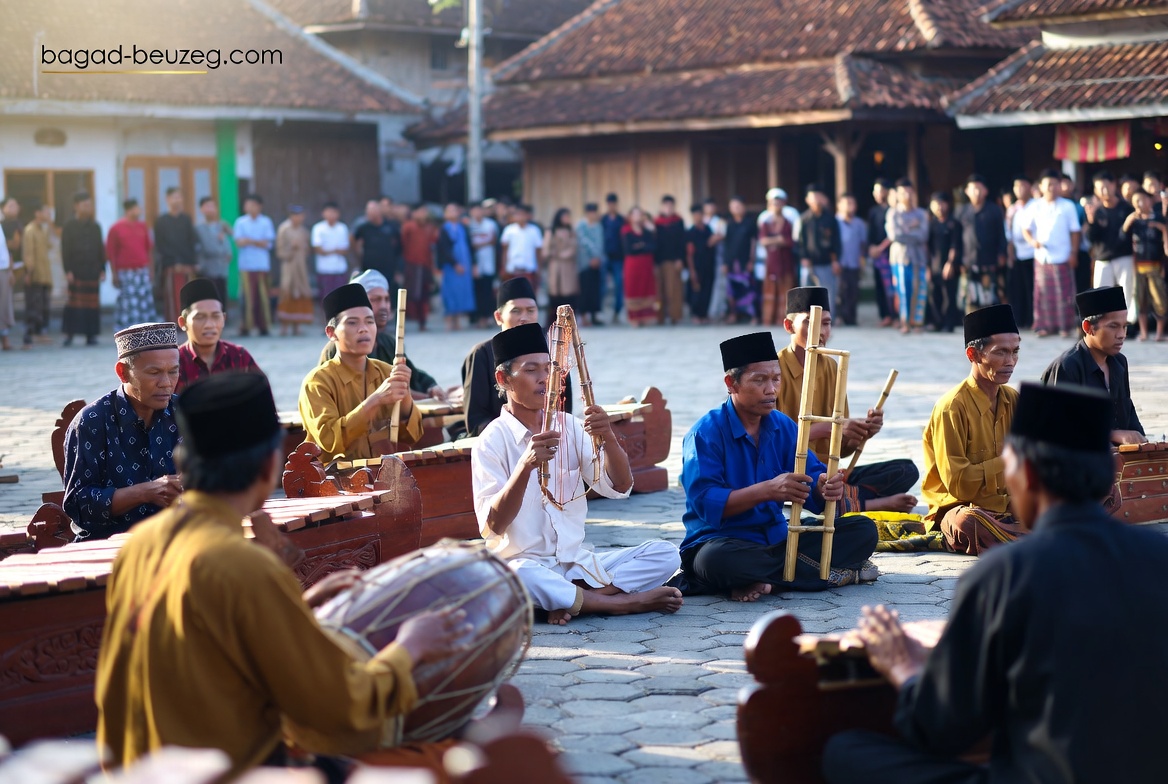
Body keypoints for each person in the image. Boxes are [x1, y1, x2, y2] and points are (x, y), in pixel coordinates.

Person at [96, 371, 504, 781]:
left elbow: (202, 643)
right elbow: (339, 708)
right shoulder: (241, 566)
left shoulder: (141, 543)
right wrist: (410, 649)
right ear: (269, 465)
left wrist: (299, 607)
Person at [823, 383, 1168, 784]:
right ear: (1109, 473)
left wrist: (906, 669)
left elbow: (942, 730)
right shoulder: (1159, 557)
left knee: (846, 751)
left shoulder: (1005, 574)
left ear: (1024, 473)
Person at [472, 323, 683, 625]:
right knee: (521, 576)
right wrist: (525, 466)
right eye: (531, 370)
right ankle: (621, 604)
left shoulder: (569, 425)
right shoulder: (491, 440)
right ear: (504, 378)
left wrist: (607, 436)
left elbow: (621, 486)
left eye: (549, 368)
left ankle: (573, 599)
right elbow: (493, 526)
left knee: (666, 553)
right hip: (525, 567)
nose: (544, 378)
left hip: (577, 564)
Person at [676, 331, 878, 601]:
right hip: (723, 541)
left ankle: (764, 581)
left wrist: (823, 487)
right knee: (716, 561)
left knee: (863, 530)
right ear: (731, 384)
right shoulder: (705, 433)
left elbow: (813, 476)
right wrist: (768, 490)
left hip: (778, 539)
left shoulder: (783, 425)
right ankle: (811, 575)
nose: (771, 390)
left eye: (776, 379)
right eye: (759, 380)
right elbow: (705, 502)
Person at [777, 287, 919, 513]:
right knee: (810, 487)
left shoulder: (833, 367)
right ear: (788, 326)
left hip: (829, 473)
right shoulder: (775, 371)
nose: (820, 331)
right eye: (809, 322)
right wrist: (827, 428)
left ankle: (845, 500)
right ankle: (867, 504)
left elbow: (842, 449)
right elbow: (772, 442)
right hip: (789, 473)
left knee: (906, 470)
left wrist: (862, 432)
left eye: (826, 323)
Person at [922, 305, 1027, 555]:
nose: (1010, 362)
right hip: (962, 507)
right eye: (1000, 352)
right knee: (969, 523)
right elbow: (959, 484)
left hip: (1009, 505)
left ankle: (1021, 532)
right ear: (973, 354)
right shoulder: (951, 408)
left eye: (1015, 352)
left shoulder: (1014, 399)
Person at [63, 323, 182, 540]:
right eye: (154, 372)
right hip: (108, 545)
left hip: (176, 538)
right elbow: (79, 505)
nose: (166, 383)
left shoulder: (186, 413)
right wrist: (146, 492)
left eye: (173, 372)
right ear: (123, 372)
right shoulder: (92, 421)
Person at [299, 283, 423, 463]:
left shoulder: (387, 372)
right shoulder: (317, 382)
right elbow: (330, 440)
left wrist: (404, 395)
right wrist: (376, 400)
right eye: (352, 322)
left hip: (384, 477)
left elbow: (414, 435)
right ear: (331, 333)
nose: (364, 328)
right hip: (337, 483)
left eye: (369, 321)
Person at [1040, 286, 1146, 445]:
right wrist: (1110, 435)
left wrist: (1143, 443)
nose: (1122, 335)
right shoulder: (1067, 367)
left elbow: (1128, 413)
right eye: (1113, 326)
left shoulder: (1119, 362)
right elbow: (1058, 431)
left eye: (1124, 326)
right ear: (1088, 328)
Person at [319, 269, 445, 400]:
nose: (384, 306)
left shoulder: (388, 342)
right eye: (375, 300)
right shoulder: (338, 348)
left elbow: (414, 375)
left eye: (386, 299)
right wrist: (423, 398)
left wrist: (432, 387)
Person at [460, 277, 547, 438]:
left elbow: (564, 407)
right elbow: (475, 418)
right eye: (516, 311)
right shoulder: (482, 354)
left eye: (530, 311)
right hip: (498, 440)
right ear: (498, 316)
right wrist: (511, 438)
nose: (524, 318)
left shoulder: (551, 351)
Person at [176, 278, 260, 393]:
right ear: (183, 322)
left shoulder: (240, 357)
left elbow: (264, 402)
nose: (209, 325)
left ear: (224, 319)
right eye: (200, 317)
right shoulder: (175, 363)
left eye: (216, 316)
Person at [1024, 169, 1081, 337]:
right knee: (1042, 294)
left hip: (1063, 256)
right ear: (1041, 186)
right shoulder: (1034, 206)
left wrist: (1074, 253)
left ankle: (1065, 327)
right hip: (1042, 257)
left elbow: (1075, 232)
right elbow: (1025, 229)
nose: (1051, 187)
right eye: (1048, 184)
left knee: (1065, 294)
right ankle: (1043, 327)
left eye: (1055, 184)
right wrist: (1033, 242)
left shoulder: (1068, 206)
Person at [1084, 171, 1135, 324]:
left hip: (1123, 256)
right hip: (1103, 258)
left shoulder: (1126, 208)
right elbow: (1091, 238)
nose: (1103, 191)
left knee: (1127, 292)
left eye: (1106, 186)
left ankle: (1129, 324)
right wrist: (1092, 221)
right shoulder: (1096, 211)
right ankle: (1102, 324)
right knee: (1101, 294)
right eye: (1100, 188)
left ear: (1114, 185)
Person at [956, 174, 1008, 312]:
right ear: (967, 191)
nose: (976, 192)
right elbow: (957, 238)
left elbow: (1001, 234)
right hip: (968, 260)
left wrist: (1002, 253)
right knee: (970, 297)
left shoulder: (994, 210)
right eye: (973, 189)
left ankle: (990, 329)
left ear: (986, 191)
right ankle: (973, 328)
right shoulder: (961, 211)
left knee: (989, 296)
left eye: (979, 189)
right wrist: (958, 259)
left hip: (989, 259)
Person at [106, 199, 158, 330]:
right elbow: (111, 253)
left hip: (142, 270)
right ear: (128, 210)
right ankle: (126, 328)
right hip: (125, 271)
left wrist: (151, 270)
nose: (139, 211)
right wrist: (114, 274)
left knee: (144, 299)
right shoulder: (116, 228)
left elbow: (149, 249)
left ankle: (146, 328)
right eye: (136, 208)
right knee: (127, 301)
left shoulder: (142, 226)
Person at [61, 191, 106, 346]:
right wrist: (68, 270)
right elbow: (65, 249)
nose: (88, 208)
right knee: (73, 305)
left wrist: (103, 269)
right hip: (76, 271)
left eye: (90, 205)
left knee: (92, 306)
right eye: (85, 205)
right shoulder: (69, 226)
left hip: (92, 271)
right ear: (76, 206)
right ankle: (69, 335)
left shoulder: (96, 227)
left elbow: (101, 249)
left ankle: (91, 335)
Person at [1123, 190, 1168, 341]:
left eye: (1142, 200)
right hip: (1138, 267)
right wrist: (1128, 221)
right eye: (1136, 201)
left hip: (1155, 266)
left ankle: (1160, 333)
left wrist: (1161, 228)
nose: (1139, 203)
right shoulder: (1134, 221)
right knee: (1141, 300)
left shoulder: (1159, 218)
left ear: (1149, 201)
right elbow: (1121, 237)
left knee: (1159, 300)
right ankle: (1143, 333)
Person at [886, 179, 929, 334]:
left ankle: (917, 322)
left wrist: (905, 230)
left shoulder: (921, 213)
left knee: (919, 289)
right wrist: (912, 227)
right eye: (903, 192)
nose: (907, 195)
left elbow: (923, 235)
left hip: (918, 257)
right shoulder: (893, 213)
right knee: (903, 290)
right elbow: (894, 235)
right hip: (900, 257)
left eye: (910, 192)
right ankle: (904, 321)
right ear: (897, 194)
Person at [234, 194, 276, 337]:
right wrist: (257, 242)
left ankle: (263, 326)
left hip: (262, 265)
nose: (249, 207)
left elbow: (268, 244)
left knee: (263, 296)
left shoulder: (266, 222)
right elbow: (239, 242)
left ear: (259, 206)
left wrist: (249, 241)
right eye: (247, 204)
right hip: (246, 265)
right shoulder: (240, 222)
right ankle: (245, 326)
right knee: (246, 297)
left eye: (252, 204)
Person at [154, 187, 198, 322]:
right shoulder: (161, 221)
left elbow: (191, 242)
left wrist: (191, 262)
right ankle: (174, 323)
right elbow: (160, 245)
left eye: (179, 197)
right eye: (174, 197)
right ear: (167, 200)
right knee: (172, 297)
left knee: (189, 296)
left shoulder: (186, 219)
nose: (177, 200)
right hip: (170, 265)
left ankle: (189, 323)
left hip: (187, 265)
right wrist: (174, 262)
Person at [797, 185, 841, 317]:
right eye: (813, 197)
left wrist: (835, 260)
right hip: (808, 262)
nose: (816, 200)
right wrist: (803, 257)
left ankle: (827, 320)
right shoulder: (804, 219)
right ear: (807, 200)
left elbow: (835, 241)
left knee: (827, 293)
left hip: (826, 261)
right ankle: (806, 319)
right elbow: (800, 241)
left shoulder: (830, 219)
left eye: (818, 197)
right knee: (806, 293)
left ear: (823, 199)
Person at [757, 188, 796, 325]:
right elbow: (762, 240)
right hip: (771, 262)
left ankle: (784, 320)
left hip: (785, 262)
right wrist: (779, 239)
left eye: (779, 203)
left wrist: (775, 240)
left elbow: (790, 241)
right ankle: (768, 319)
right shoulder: (765, 222)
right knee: (769, 290)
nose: (776, 206)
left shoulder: (788, 223)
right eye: (774, 203)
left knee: (786, 291)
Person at [436, 202, 476, 331]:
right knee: (450, 292)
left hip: (465, 264)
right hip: (450, 266)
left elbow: (470, 246)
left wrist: (473, 264)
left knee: (461, 293)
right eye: (450, 211)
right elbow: (443, 249)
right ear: (445, 214)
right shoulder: (444, 229)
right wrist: (455, 264)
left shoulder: (463, 227)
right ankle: (448, 322)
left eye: (455, 210)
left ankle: (458, 321)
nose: (453, 213)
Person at [926, 191, 962, 334]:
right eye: (936, 204)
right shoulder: (931, 224)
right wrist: (927, 267)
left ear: (947, 205)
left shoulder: (954, 223)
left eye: (942, 203)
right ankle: (936, 323)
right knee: (934, 295)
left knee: (949, 295)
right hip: (934, 265)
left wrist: (950, 263)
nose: (939, 207)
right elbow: (927, 247)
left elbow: (955, 245)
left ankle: (949, 324)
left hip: (950, 266)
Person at [275, 205, 314, 335]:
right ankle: (284, 327)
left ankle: (297, 327)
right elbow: (280, 252)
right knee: (287, 293)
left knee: (301, 294)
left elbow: (307, 250)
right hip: (289, 268)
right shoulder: (284, 229)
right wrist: (291, 248)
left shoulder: (304, 231)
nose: (298, 218)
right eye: (295, 215)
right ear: (291, 216)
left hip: (301, 269)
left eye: (300, 215)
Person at [1005, 175, 1036, 329]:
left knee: (1032, 289)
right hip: (1017, 255)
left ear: (1030, 187)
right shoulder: (1012, 209)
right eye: (1017, 187)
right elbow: (1008, 234)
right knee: (1017, 289)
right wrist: (1010, 254)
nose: (1020, 190)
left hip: (1033, 254)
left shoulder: (1036, 206)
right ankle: (1019, 320)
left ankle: (1033, 319)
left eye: (1023, 186)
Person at [21, 202, 54, 348]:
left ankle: (41, 333)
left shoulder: (43, 229)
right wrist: (29, 271)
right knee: (34, 306)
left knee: (44, 306)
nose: (48, 214)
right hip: (34, 274)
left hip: (45, 273)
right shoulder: (30, 230)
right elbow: (28, 253)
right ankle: (30, 335)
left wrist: (50, 226)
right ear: (37, 213)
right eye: (46, 211)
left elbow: (50, 245)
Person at [400, 204, 438, 330]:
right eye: (421, 212)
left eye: (425, 212)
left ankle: (423, 323)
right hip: (412, 265)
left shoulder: (430, 227)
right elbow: (402, 245)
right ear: (414, 213)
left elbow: (433, 245)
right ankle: (407, 321)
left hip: (426, 265)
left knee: (424, 295)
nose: (423, 214)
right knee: (412, 294)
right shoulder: (408, 227)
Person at [867, 179, 897, 327]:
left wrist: (881, 248)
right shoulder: (873, 211)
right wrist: (872, 248)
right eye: (875, 191)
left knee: (892, 286)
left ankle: (895, 315)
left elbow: (893, 233)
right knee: (880, 285)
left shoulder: (893, 210)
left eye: (880, 191)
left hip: (890, 252)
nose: (878, 194)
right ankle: (885, 315)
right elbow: (870, 232)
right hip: (877, 254)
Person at [621, 207, 658, 327]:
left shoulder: (646, 231)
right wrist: (642, 245)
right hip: (633, 265)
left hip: (646, 265)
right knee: (633, 289)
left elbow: (652, 247)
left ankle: (645, 316)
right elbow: (629, 249)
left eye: (640, 214)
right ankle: (635, 318)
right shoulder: (626, 230)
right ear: (630, 217)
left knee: (646, 288)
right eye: (635, 214)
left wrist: (640, 245)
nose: (638, 216)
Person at [542, 207, 579, 326]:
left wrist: (564, 254)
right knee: (555, 294)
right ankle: (553, 321)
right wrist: (555, 253)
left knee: (568, 294)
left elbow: (574, 248)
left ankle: (568, 321)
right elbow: (546, 250)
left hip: (568, 267)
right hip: (555, 266)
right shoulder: (551, 231)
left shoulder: (571, 231)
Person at [653, 195, 687, 325]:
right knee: (659, 291)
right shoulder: (656, 222)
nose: (668, 208)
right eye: (666, 205)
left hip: (674, 261)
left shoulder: (678, 221)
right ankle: (660, 317)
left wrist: (680, 259)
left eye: (670, 205)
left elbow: (682, 242)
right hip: (659, 261)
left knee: (674, 291)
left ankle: (674, 316)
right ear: (662, 206)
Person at [724, 196, 758, 323]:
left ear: (743, 207)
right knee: (732, 290)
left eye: (738, 206)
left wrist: (751, 260)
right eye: (733, 206)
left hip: (745, 261)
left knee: (749, 289)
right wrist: (725, 262)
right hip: (732, 262)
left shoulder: (750, 223)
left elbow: (754, 242)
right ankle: (734, 314)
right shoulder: (729, 224)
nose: (736, 209)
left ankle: (753, 316)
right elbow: (727, 244)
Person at [194, 197, 233, 305]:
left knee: (221, 298)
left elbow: (228, 243)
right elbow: (199, 249)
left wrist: (228, 253)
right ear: (201, 209)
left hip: (221, 268)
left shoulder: (222, 225)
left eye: (212, 206)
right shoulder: (198, 228)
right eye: (207, 206)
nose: (210, 209)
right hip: (207, 269)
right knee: (207, 299)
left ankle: (222, 320)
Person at [352, 198, 401, 282]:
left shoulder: (391, 226)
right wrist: (358, 253)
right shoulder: (364, 227)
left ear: (379, 211)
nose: (369, 213)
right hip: (369, 268)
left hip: (388, 268)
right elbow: (353, 238)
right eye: (368, 210)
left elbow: (399, 245)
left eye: (372, 210)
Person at [835, 193, 866, 327]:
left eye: (851, 203)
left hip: (854, 262)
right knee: (839, 290)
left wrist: (862, 259)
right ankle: (839, 316)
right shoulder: (834, 222)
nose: (849, 206)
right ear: (839, 205)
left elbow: (863, 244)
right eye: (846, 203)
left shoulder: (860, 224)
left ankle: (851, 318)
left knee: (853, 290)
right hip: (839, 262)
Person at [312, 202, 351, 298]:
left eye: (334, 212)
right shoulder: (318, 228)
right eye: (329, 212)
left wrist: (328, 250)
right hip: (324, 269)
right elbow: (318, 249)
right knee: (326, 298)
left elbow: (345, 250)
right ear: (323, 213)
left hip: (340, 269)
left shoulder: (342, 228)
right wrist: (335, 250)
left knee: (341, 297)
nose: (331, 215)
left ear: (338, 214)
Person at [469, 201, 499, 328]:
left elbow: (495, 242)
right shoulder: (469, 226)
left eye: (479, 210)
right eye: (474, 210)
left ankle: (488, 318)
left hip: (489, 263)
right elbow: (469, 245)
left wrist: (480, 244)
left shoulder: (491, 224)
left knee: (488, 291)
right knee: (477, 292)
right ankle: (478, 318)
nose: (477, 213)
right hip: (474, 265)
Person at [686, 203, 717, 324]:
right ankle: (696, 314)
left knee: (707, 290)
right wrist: (692, 270)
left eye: (700, 214)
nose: (698, 217)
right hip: (696, 266)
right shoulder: (690, 232)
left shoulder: (708, 229)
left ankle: (704, 314)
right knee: (696, 291)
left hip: (709, 265)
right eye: (695, 215)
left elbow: (710, 244)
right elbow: (689, 253)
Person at [500, 204, 542, 290]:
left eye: (522, 214)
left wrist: (539, 268)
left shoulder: (534, 230)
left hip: (529, 269)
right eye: (517, 214)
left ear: (527, 215)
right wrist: (504, 267)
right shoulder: (509, 230)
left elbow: (538, 251)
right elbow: (504, 250)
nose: (520, 217)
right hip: (512, 269)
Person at [575, 203, 604, 327]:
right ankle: (583, 316)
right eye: (590, 212)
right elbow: (583, 242)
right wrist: (593, 256)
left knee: (595, 290)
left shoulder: (598, 226)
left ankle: (594, 315)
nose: (593, 214)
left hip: (597, 262)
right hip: (584, 262)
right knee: (585, 290)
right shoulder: (580, 226)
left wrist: (598, 257)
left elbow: (601, 242)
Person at [703, 198, 729, 323]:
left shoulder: (720, 222)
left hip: (718, 256)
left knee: (719, 285)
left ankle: (717, 311)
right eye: (708, 206)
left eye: (712, 206)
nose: (710, 209)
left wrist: (713, 239)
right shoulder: (701, 221)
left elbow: (720, 237)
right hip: (704, 258)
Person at [601, 193, 625, 322]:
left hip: (618, 257)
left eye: (613, 204)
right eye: (609, 204)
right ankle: (601, 312)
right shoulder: (603, 220)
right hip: (605, 256)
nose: (611, 206)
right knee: (603, 286)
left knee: (619, 284)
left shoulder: (621, 220)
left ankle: (617, 311)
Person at [0, 223, 14, 351]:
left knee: (4, 305)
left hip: (3, 269)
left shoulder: (3, 226)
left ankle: (5, 337)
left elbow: (8, 250)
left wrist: (10, 271)